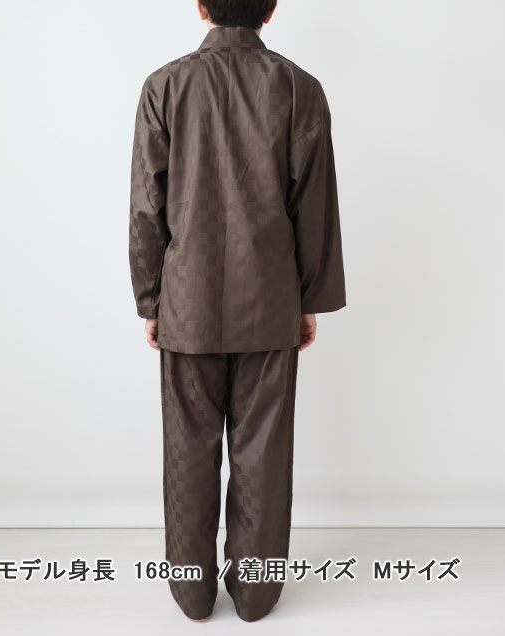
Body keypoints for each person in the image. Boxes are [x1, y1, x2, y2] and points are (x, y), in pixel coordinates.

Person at [129, 0, 346, 623]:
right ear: (270, 10)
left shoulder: (165, 86)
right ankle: (256, 595)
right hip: (270, 299)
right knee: (265, 453)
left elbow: (147, 204)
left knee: (187, 451)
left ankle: (192, 595)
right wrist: (309, 299)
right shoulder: (299, 88)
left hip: (188, 303)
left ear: (201, 7)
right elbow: (314, 206)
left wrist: (151, 298)